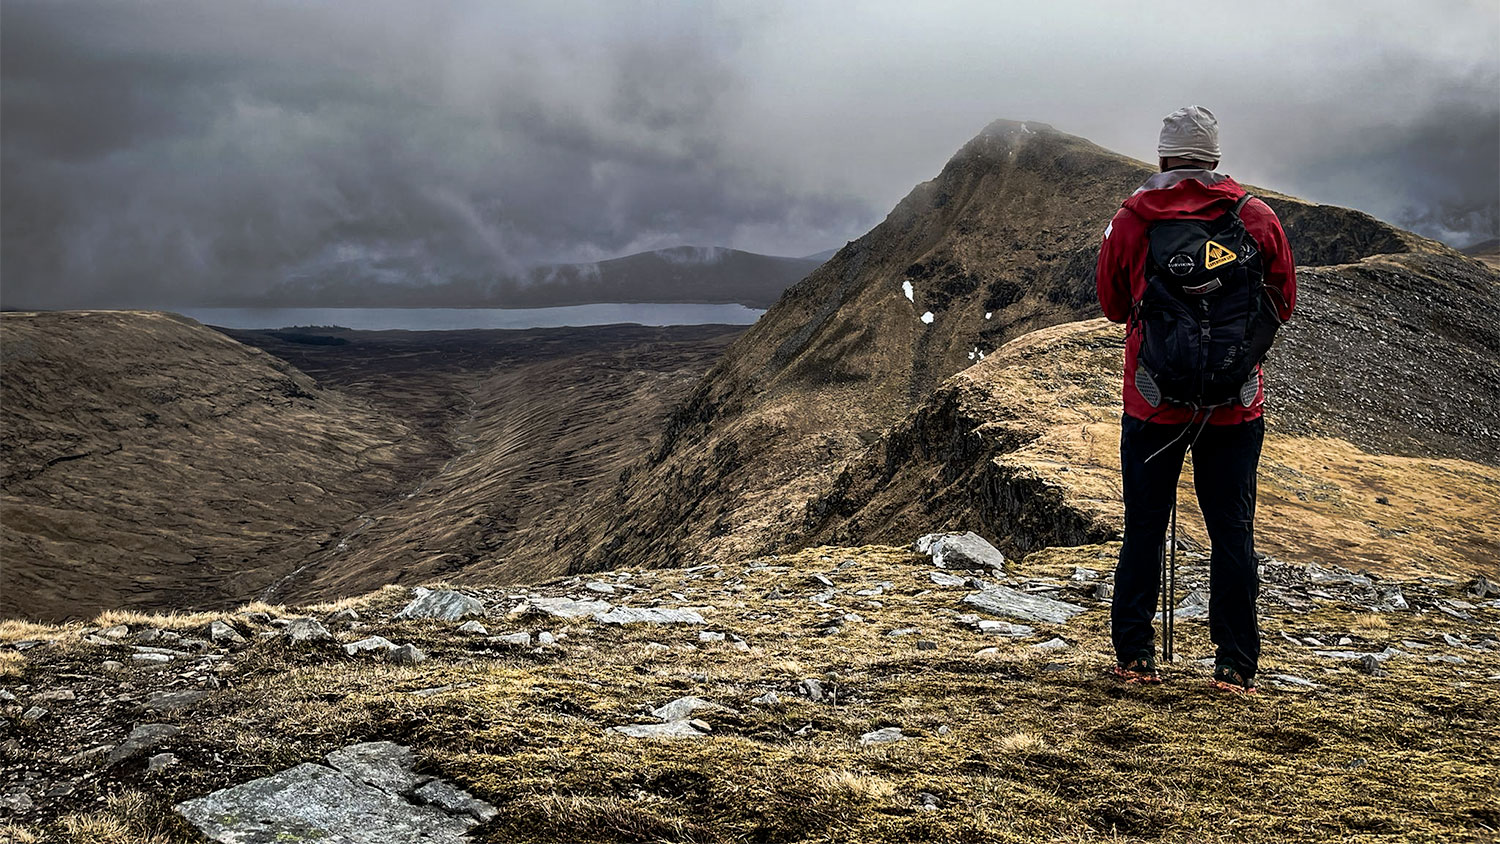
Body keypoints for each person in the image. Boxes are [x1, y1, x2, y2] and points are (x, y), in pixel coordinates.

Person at [1094, 106, 1297, 693]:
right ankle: (1234, 667)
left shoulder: (1132, 220)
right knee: (1231, 532)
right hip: (1235, 407)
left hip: (1152, 405)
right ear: (1214, 159)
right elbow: (1281, 302)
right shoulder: (1255, 218)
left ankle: (1133, 658)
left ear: (1162, 158)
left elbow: (1111, 305)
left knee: (1144, 528)